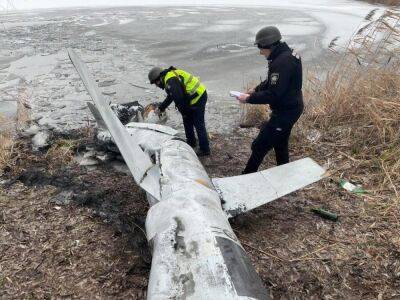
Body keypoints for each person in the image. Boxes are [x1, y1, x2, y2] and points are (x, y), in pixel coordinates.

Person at [236, 26, 304, 174]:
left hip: (286, 111)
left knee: (260, 145)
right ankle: (283, 174)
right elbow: (273, 82)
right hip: (290, 107)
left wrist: (248, 98)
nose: (260, 52)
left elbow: (274, 94)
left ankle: (246, 177)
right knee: (280, 143)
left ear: (270, 45)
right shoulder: (284, 55)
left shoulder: (281, 62)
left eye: (261, 48)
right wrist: (256, 89)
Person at [148, 66, 210, 156]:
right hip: (193, 97)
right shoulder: (168, 78)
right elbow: (171, 96)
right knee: (187, 120)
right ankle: (191, 142)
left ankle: (205, 149)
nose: (157, 86)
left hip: (198, 97)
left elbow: (179, 99)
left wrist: (185, 112)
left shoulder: (170, 80)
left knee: (198, 123)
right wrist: (161, 108)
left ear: (158, 79)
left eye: (155, 83)